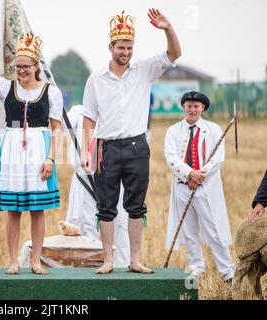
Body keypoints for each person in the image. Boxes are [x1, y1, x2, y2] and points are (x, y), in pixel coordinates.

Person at [81, 8, 181, 274]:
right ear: (110, 46)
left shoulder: (144, 69)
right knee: (106, 206)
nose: (126, 52)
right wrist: (84, 150)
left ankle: (134, 260)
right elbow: (88, 118)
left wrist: (167, 27)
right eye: (121, 47)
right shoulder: (96, 79)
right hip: (106, 147)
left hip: (137, 146)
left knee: (136, 205)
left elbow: (174, 54)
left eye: (129, 47)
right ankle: (108, 260)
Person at [0, 33, 63, 275]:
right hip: (13, 146)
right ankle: (14, 260)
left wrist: (50, 158)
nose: (21, 71)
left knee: (38, 209)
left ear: (36, 66)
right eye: (17, 66)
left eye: (25, 66)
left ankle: (36, 260)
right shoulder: (6, 86)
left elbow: (57, 129)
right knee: (13, 208)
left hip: (39, 145)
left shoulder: (51, 92)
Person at [164, 91, 235, 282]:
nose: (192, 109)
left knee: (214, 229)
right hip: (182, 186)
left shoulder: (213, 129)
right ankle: (196, 267)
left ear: (202, 108)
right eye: (189, 106)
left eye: (196, 106)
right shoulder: (173, 130)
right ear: (184, 107)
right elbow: (171, 157)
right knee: (189, 230)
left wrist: (199, 175)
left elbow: (218, 158)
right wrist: (189, 174)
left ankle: (227, 271)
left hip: (205, 187)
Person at [65, 105, 130, 267]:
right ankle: (86, 266)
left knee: (118, 222)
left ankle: (119, 263)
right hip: (85, 181)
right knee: (87, 224)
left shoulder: (119, 112)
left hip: (114, 178)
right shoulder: (79, 112)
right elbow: (61, 122)